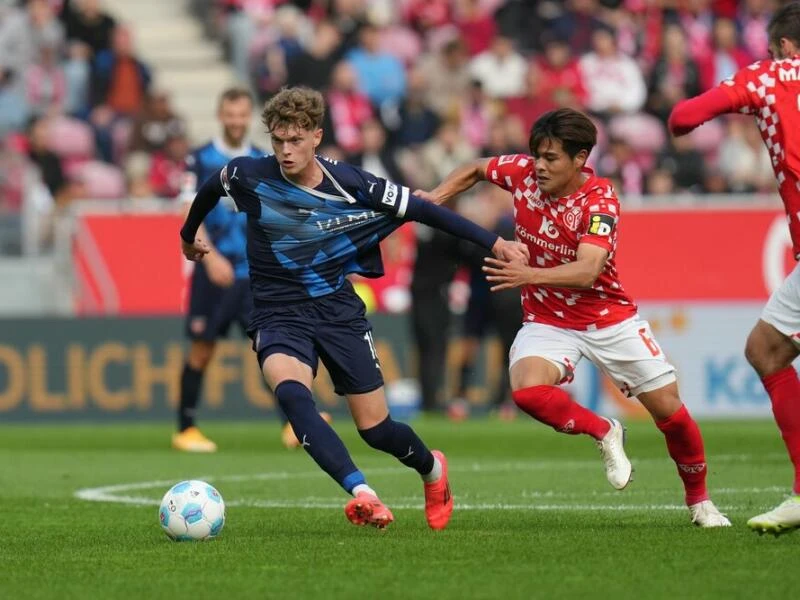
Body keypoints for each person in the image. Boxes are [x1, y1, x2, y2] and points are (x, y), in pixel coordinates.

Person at [178, 86, 528, 530]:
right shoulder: (248, 174)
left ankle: (433, 470)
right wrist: (188, 234)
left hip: (336, 310)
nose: (286, 151)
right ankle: (364, 494)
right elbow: (210, 188)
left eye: (296, 140)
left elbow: (425, 212)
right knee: (291, 394)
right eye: (278, 141)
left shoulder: (353, 184)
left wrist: (496, 242)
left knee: (376, 430)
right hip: (277, 311)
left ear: (317, 137)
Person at [415, 107, 731, 528]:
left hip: (607, 318)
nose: (539, 167)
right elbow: (475, 168)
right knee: (526, 390)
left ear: (580, 158)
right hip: (548, 320)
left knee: (671, 414)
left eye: (551, 159)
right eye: (537, 156)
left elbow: (588, 270)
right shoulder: (522, 173)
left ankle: (701, 502)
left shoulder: (600, 200)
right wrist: (436, 197)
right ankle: (604, 430)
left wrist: (527, 274)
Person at [668, 1, 800, 535]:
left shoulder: (768, 77)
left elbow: (682, 119)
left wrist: (748, 92)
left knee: (766, 350)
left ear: (785, 48)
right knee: (765, 346)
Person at [172, 87, 291, 453]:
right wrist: (211, 259)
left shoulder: (262, 159)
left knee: (271, 347)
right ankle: (186, 429)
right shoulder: (200, 159)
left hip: (254, 274)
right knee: (203, 349)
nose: (236, 121)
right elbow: (188, 210)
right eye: (230, 114)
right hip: (214, 271)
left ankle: (293, 423)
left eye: (242, 114)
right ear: (220, 115)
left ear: (249, 117)